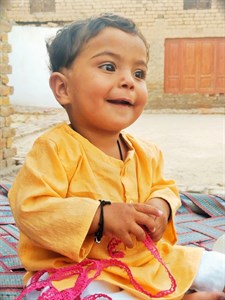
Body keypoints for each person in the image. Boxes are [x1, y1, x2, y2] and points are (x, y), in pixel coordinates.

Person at [8, 13, 225, 300]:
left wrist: (160, 207)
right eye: (109, 66)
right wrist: (100, 216)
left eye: (139, 73)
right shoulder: (54, 149)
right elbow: (30, 208)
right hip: (77, 269)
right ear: (63, 88)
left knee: (211, 265)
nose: (128, 81)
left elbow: (166, 188)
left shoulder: (146, 152)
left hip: (142, 260)